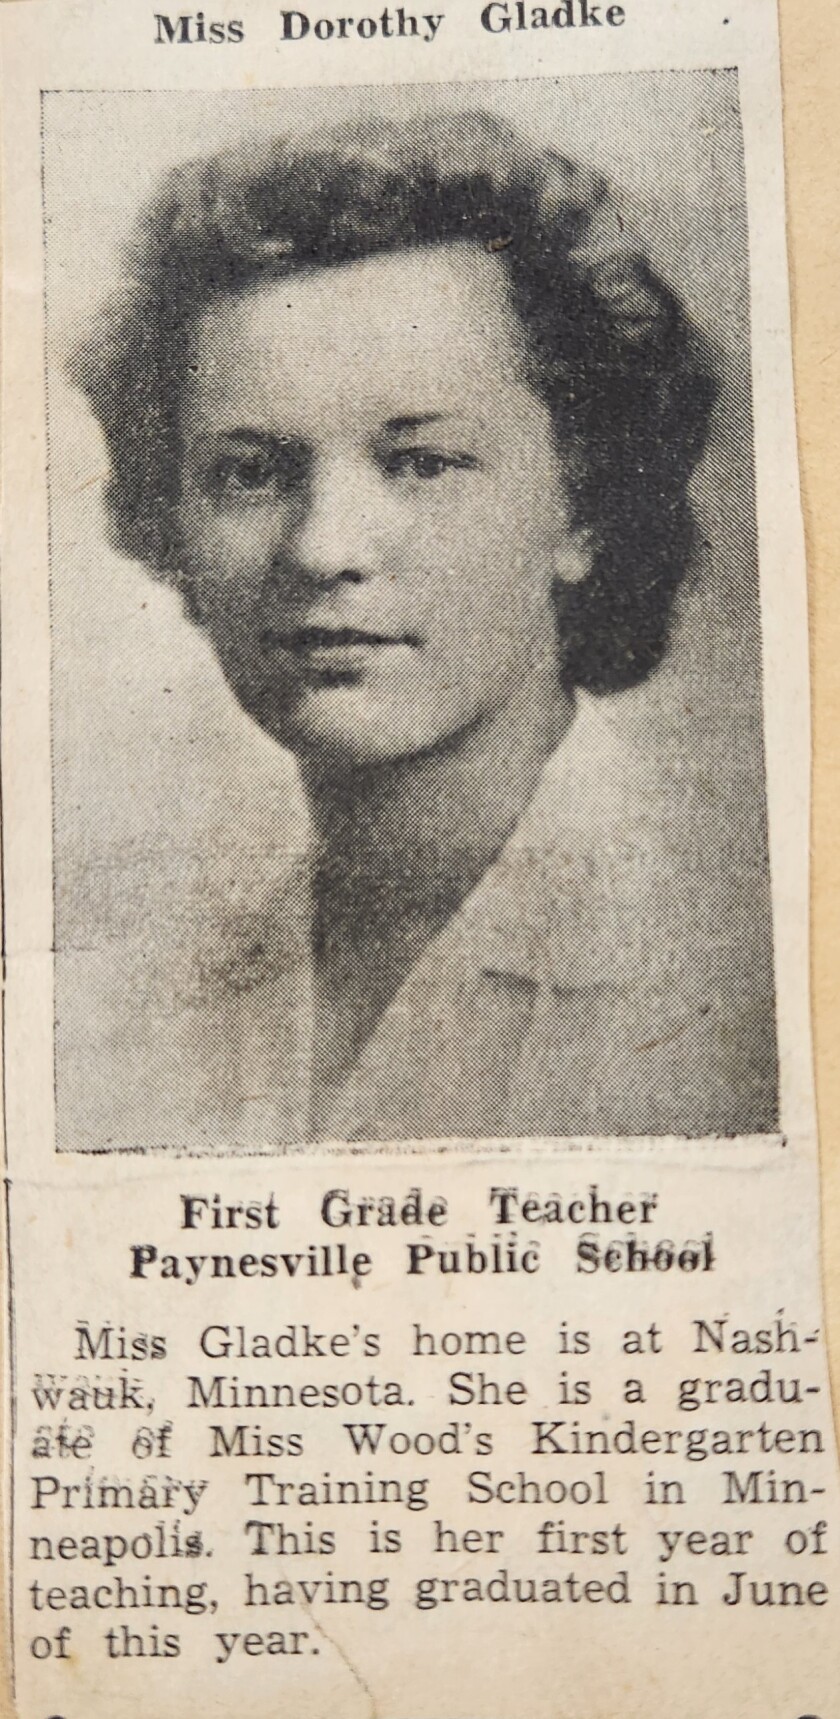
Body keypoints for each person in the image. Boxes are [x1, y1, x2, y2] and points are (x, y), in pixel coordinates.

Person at [67, 107, 777, 1148]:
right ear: (170, 519)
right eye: (249, 472)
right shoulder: (119, 1016)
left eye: (422, 462)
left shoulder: (739, 980)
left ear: (579, 505)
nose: (321, 548)